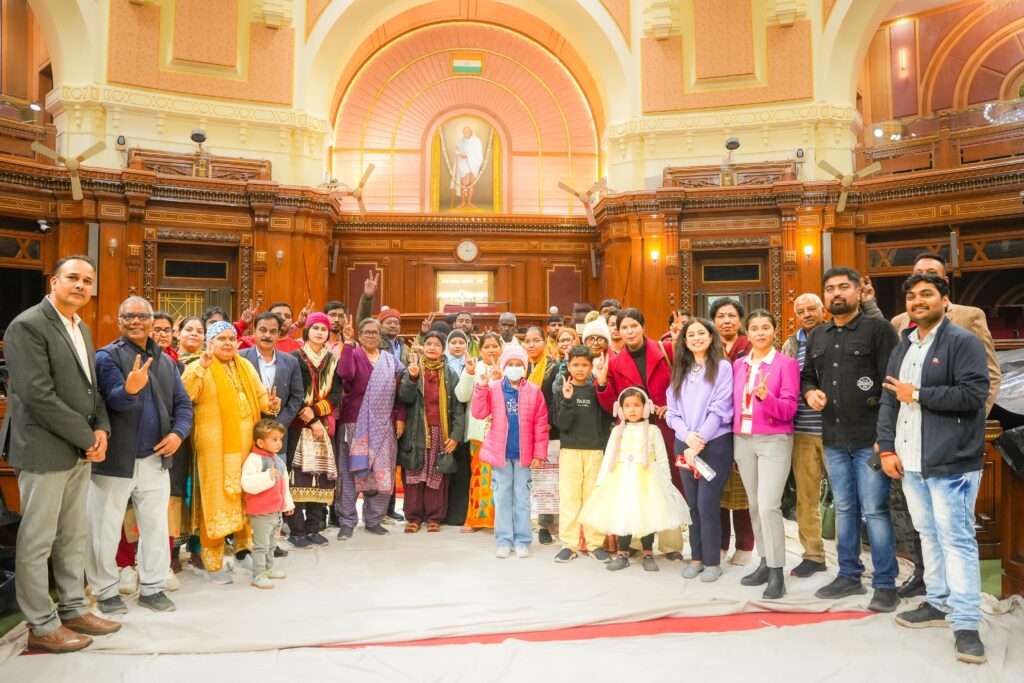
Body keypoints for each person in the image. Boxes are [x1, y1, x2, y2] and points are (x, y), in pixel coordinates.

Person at [1, 255, 120, 652]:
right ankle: (40, 624)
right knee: (37, 541)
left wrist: (101, 428)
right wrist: (87, 437)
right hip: (43, 448)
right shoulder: (28, 325)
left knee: (73, 535)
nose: (81, 285)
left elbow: (91, 388)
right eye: (73, 277)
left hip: (78, 448)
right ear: (54, 281)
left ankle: (73, 609)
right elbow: (37, 394)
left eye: (88, 280)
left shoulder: (80, 326)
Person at [870, 252, 1001, 600]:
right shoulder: (903, 339)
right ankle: (937, 600)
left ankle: (965, 617)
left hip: (951, 454)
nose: (918, 300)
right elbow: (890, 397)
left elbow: (979, 387)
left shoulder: (965, 330)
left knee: (955, 539)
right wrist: (887, 445)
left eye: (927, 291)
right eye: (912, 294)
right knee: (927, 533)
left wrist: (965, 426)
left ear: (944, 296)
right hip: (912, 455)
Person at [801, 267, 901, 613]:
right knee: (845, 509)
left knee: (875, 510)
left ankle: (886, 584)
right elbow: (807, 377)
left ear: (859, 292)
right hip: (833, 438)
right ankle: (849, 575)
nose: (836, 293)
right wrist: (810, 393)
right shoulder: (818, 335)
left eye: (844, 287)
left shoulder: (879, 330)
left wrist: (886, 438)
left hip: (870, 440)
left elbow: (892, 386)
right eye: (830, 288)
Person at [88, 296, 193, 616]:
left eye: (142, 316)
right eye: (128, 316)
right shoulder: (106, 357)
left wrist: (178, 434)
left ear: (152, 321)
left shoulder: (166, 361)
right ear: (119, 321)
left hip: (155, 459)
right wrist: (130, 389)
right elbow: (112, 402)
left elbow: (183, 405)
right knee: (104, 528)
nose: (135, 321)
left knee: (155, 527)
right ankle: (105, 591)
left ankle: (152, 587)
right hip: (114, 460)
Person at [182, 321, 281, 584]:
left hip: (247, 449)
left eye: (231, 338)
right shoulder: (199, 366)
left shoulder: (245, 366)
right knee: (216, 504)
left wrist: (270, 404)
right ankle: (213, 562)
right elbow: (185, 395)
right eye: (221, 338)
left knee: (247, 500)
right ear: (210, 343)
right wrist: (200, 369)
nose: (227, 343)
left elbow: (260, 398)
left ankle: (242, 552)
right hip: (214, 452)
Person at [594, 308, 685, 561]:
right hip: (633, 431)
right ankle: (635, 540)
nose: (629, 331)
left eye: (634, 325)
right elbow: (612, 403)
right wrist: (602, 383)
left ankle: (670, 543)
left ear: (643, 326)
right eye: (624, 327)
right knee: (634, 485)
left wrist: (673, 408)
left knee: (666, 481)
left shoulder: (666, 350)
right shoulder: (614, 362)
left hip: (665, 424)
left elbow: (684, 382)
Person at [581, 387, 690, 573]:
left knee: (647, 516)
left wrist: (667, 484)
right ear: (620, 409)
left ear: (646, 408)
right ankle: (622, 554)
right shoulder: (617, 431)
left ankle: (648, 553)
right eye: (627, 406)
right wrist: (601, 481)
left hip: (648, 480)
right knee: (624, 514)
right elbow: (609, 457)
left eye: (637, 405)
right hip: (622, 479)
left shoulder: (653, 431)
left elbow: (662, 459)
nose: (632, 410)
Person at [730, 310, 799, 599]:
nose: (760, 333)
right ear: (747, 332)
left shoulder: (786, 364)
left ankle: (777, 572)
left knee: (770, 505)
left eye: (766, 327)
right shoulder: (738, 365)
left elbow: (789, 409)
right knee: (755, 505)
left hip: (774, 440)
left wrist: (765, 397)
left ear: (774, 331)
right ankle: (764, 561)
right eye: (755, 328)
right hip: (742, 439)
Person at [667, 318, 734, 583]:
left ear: (711, 336)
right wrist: (687, 437)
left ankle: (712, 562)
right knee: (692, 504)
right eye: (691, 334)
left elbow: (721, 408)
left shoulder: (722, 367)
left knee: (707, 503)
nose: (696, 338)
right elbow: (672, 413)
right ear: (684, 341)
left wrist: (700, 440)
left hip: (714, 443)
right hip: (684, 443)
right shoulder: (680, 369)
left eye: (701, 333)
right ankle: (695, 558)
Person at [472, 344, 548, 558]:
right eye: (511, 364)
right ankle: (504, 540)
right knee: (502, 498)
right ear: (504, 366)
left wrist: (539, 454)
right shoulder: (494, 388)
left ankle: (522, 541)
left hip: (524, 456)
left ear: (524, 367)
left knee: (522, 500)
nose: (515, 368)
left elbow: (540, 424)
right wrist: (481, 387)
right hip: (501, 455)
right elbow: (479, 413)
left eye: (518, 364)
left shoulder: (534, 391)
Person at [335, 317, 407, 539]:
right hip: (354, 424)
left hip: (384, 425)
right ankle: (347, 521)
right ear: (359, 334)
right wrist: (348, 344)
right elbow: (345, 374)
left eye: (374, 332)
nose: (370, 336)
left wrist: (400, 418)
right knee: (350, 473)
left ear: (380, 335)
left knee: (382, 473)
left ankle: (374, 520)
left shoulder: (391, 361)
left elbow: (402, 392)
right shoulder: (353, 354)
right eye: (366, 332)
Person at [780, 293, 830, 578]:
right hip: (801, 431)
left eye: (812, 309)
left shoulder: (835, 335)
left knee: (848, 501)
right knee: (806, 498)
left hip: (836, 431)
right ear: (795, 315)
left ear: (823, 310)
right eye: (801, 311)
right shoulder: (791, 344)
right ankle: (813, 555)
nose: (807, 314)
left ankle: (851, 561)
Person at [551, 345, 614, 563]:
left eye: (584, 365)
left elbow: (608, 416)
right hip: (569, 450)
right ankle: (569, 545)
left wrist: (603, 383)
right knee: (569, 498)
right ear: (568, 366)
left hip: (594, 451)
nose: (580, 369)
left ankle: (595, 544)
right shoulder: (561, 391)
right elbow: (561, 424)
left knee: (593, 498)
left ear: (591, 366)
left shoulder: (596, 391)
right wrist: (568, 400)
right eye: (575, 365)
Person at [398, 332, 466, 532]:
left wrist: (455, 435)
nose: (432, 348)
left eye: (437, 345)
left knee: (437, 476)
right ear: (423, 347)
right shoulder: (412, 369)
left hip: (441, 433)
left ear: (443, 349)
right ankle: (413, 518)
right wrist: (412, 378)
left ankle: (434, 518)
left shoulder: (451, 374)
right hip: (416, 431)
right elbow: (405, 398)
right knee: (414, 474)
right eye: (428, 344)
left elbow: (458, 408)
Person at [285, 313, 341, 548]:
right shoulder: (293, 358)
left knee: (320, 478)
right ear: (307, 331)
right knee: (296, 478)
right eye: (315, 328)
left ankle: (314, 528)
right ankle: (297, 531)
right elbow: (291, 392)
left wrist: (316, 413)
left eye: (323, 329)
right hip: (297, 427)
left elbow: (336, 394)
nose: (319, 332)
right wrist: (310, 419)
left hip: (321, 428)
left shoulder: (333, 360)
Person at [710, 298, 755, 565]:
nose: (726, 320)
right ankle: (720, 544)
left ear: (740, 320)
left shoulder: (750, 347)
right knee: (716, 488)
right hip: (715, 428)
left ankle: (745, 546)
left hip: (743, 426)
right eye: (720, 316)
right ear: (713, 321)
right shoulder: (708, 347)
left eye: (731, 315)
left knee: (742, 488)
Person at [454, 332, 503, 532]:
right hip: (479, 433)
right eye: (486, 347)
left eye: (495, 346)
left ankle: (501, 520)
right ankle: (475, 519)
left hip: (503, 434)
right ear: (480, 349)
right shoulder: (474, 367)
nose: (491, 350)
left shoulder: (510, 366)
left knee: (502, 478)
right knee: (479, 477)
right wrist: (468, 373)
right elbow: (461, 396)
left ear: (501, 348)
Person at [241, 418, 295, 589]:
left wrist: (287, 504)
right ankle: (257, 575)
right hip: (261, 512)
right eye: (274, 439)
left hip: (275, 511)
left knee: (272, 544)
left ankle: (268, 569)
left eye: (280, 439)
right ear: (260, 442)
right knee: (261, 546)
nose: (279, 443)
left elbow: (284, 484)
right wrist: (267, 476)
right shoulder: (254, 459)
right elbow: (247, 483)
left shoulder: (277, 459)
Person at [523, 326, 560, 544]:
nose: (531, 345)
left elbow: (556, 399)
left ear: (545, 342)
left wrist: (550, 423)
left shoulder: (554, 368)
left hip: (548, 431)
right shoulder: (520, 366)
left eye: (536, 340)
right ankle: (525, 520)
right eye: (527, 341)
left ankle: (545, 525)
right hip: (523, 431)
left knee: (547, 479)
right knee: (526, 478)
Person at [441, 330, 473, 526]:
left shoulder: (472, 364)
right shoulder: (441, 363)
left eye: (462, 342)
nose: (458, 346)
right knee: (445, 468)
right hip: (445, 421)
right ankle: (441, 513)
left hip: (466, 421)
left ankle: (459, 515)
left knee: (462, 470)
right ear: (448, 345)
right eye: (454, 342)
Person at [455, 125, 483, 208]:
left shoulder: (477, 141)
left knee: (471, 184)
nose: (465, 134)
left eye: (466, 132)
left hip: (472, 163)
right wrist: (457, 150)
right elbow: (460, 150)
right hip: (463, 162)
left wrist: (467, 156)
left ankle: (469, 202)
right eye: (464, 133)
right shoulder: (461, 140)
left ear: (471, 132)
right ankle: (462, 202)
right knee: (462, 184)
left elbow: (478, 154)